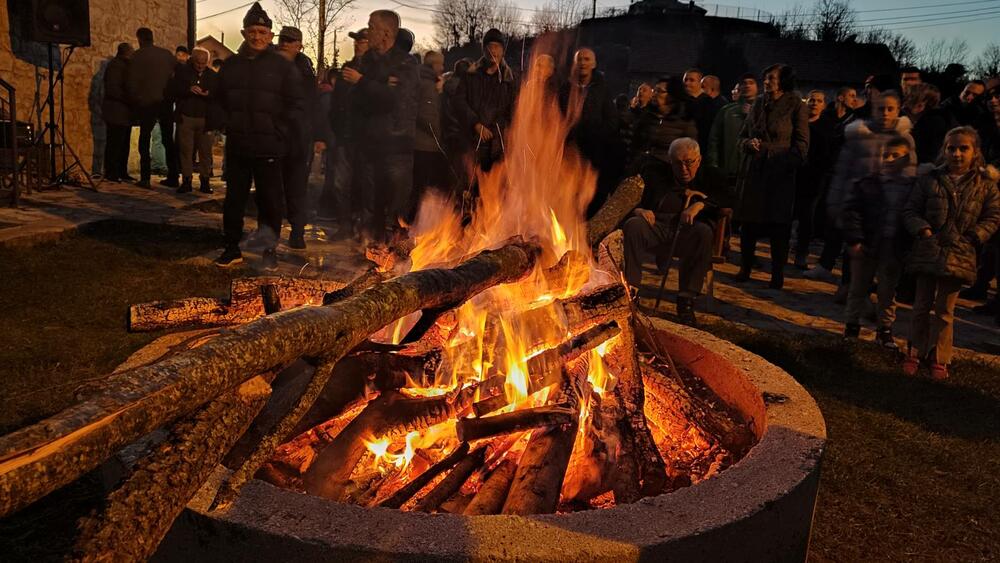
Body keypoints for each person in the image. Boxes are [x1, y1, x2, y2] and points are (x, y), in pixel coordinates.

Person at [902, 126, 1000, 379]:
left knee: (945, 310)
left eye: (963, 148)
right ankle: (915, 350)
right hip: (929, 249)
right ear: (944, 150)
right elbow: (911, 210)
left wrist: (975, 236)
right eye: (951, 148)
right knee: (921, 304)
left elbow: (993, 216)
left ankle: (940, 355)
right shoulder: (930, 179)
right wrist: (922, 229)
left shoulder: (985, 185)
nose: (957, 154)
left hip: (959, 252)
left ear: (974, 152)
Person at [214, 2, 304, 269]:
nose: (257, 37)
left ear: (270, 36)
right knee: (234, 199)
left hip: (269, 146)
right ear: (243, 33)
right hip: (239, 145)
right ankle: (231, 248)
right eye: (252, 31)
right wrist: (225, 123)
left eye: (262, 32)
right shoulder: (231, 65)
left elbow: (296, 105)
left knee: (270, 201)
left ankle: (268, 250)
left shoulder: (282, 67)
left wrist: (281, 133)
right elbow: (218, 100)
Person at [810, 90, 915, 286]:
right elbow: (842, 171)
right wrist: (835, 203)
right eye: (881, 109)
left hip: (888, 205)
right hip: (857, 204)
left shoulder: (905, 139)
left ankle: (867, 292)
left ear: (897, 110)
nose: (885, 113)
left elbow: (909, 174)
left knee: (880, 253)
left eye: (890, 109)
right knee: (855, 248)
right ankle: (850, 290)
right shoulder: (859, 135)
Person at [623, 138, 731, 325]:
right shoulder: (655, 174)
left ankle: (686, 301)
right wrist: (639, 210)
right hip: (657, 225)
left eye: (689, 162)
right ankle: (631, 293)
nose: (683, 169)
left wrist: (700, 205)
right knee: (633, 225)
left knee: (703, 232)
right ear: (670, 161)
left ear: (699, 159)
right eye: (678, 163)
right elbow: (629, 197)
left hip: (688, 232)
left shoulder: (710, 175)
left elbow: (728, 199)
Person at [344, 10, 419, 241]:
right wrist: (379, 86)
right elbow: (356, 100)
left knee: (394, 207)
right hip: (368, 144)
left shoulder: (406, 63)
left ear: (386, 33)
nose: (368, 31)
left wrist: (363, 82)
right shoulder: (365, 62)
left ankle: (394, 256)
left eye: (372, 27)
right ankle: (369, 252)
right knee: (369, 203)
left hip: (396, 145)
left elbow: (396, 100)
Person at [734, 64, 809, 289]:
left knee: (779, 227)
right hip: (755, 172)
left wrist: (786, 162)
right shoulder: (758, 103)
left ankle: (777, 274)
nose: (766, 82)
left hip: (780, 174)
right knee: (749, 224)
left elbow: (802, 144)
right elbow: (742, 137)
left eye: (772, 78)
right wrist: (748, 143)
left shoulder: (795, 105)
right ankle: (745, 267)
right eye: (765, 78)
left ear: (783, 81)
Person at [840, 136, 916, 346]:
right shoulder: (867, 184)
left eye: (896, 155)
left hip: (892, 247)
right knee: (858, 287)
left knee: (888, 291)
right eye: (886, 155)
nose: (890, 160)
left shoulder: (910, 187)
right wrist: (855, 239)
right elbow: (852, 212)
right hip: (867, 243)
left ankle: (884, 329)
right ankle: (851, 326)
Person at [560, 48, 622, 216]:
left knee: (592, 200)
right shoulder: (565, 88)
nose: (583, 63)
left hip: (595, 153)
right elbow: (558, 118)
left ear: (594, 64)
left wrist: (597, 136)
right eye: (579, 59)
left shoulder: (602, 89)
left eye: (587, 59)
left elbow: (612, 120)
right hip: (570, 154)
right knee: (568, 199)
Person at [452, 28, 518, 183]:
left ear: (503, 51)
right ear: (484, 49)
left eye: (497, 46)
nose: (493, 50)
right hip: (472, 142)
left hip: (498, 146)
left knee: (494, 190)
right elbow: (458, 102)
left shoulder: (510, 80)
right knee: (470, 188)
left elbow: (514, 110)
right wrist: (475, 124)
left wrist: (502, 132)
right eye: (490, 46)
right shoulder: (471, 75)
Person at [321, 28, 369, 231]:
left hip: (366, 138)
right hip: (345, 137)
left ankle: (362, 228)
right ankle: (345, 225)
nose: (358, 44)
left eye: (363, 41)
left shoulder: (376, 70)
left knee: (364, 183)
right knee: (341, 182)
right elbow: (336, 104)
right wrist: (336, 129)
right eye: (356, 41)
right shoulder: (346, 69)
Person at [275, 25, 317, 250]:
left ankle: (297, 232)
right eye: (283, 39)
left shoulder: (305, 68)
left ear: (299, 45)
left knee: (297, 186)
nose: (285, 43)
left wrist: (316, 135)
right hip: (274, 135)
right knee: (272, 187)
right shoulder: (269, 64)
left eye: (290, 41)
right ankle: (269, 236)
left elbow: (313, 103)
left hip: (299, 137)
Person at [126, 27, 178, 188]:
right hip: (165, 102)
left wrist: (136, 100)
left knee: (144, 138)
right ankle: (173, 176)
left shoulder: (137, 56)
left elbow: (131, 82)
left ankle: (145, 177)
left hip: (147, 102)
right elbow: (175, 75)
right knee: (168, 140)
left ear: (140, 39)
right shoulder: (166, 55)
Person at [792, 90, 835, 269]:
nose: (814, 103)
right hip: (794, 176)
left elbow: (828, 155)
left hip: (814, 179)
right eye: (811, 100)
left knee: (806, 217)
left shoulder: (827, 127)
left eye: (819, 101)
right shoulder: (796, 124)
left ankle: (802, 253)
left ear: (823, 105)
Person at [170, 46, 218, 194]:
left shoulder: (212, 76)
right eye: (198, 62)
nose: (200, 66)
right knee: (186, 150)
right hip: (187, 116)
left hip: (205, 118)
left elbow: (218, 95)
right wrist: (188, 89)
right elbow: (173, 90)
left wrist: (208, 94)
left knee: (205, 152)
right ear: (192, 60)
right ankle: (186, 180)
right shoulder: (183, 72)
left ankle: (205, 180)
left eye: (204, 63)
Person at [411, 50, 448, 216]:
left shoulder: (427, 82)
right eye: (441, 64)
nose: (443, 67)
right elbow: (428, 115)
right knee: (421, 188)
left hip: (425, 143)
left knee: (420, 187)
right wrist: (440, 137)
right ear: (434, 65)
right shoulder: (427, 85)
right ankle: (413, 222)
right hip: (425, 145)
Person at [630, 76, 697, 166]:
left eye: (660, 91)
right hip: (643, 168)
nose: (654, 94)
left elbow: (689, 151)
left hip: (667, 170)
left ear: (672, 95)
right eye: (655, 90)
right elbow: (636, 143)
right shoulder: (648, 116)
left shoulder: (684, 121)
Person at [706, 73, 757, 183]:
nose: (747, 86)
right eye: (744, 83)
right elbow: (714, 139)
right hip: (729, 170)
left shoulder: (766, 111)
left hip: (754, 171)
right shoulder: (727, 111)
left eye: (751, 83)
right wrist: (713, 164)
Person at [101, 42, 133, 183]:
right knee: (115, 142)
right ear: (126, 52)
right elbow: (113, 89)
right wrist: (130, 99)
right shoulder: (115, 66)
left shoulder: (123, 66)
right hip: (116, 111)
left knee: (124, 142)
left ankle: (122, 170)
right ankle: (112, 172)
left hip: (124, 112)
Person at [906, 83, 957, 164]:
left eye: (911, 98)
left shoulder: (932, 123)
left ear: (922, 103)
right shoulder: (939, 119)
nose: (906, 103)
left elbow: (929, 156)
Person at [698, 74, 728, 148]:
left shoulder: (723, 106)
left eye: (703, 86)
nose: (700, 89)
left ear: (712, 89)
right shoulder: (703, 102)